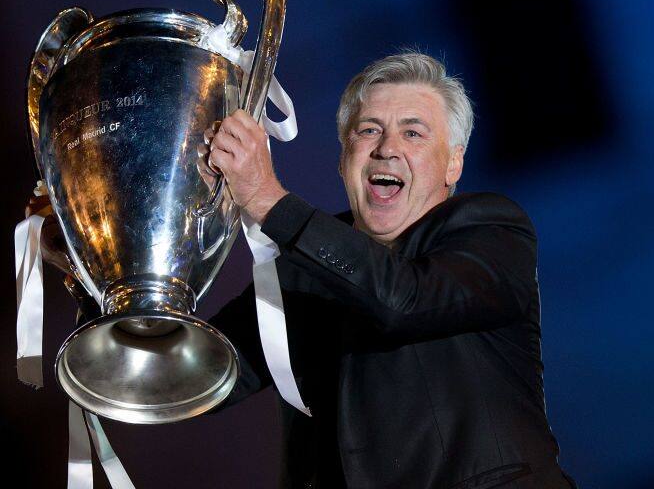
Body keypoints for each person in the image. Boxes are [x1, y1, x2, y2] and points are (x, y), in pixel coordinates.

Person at [201, 52, 578, 489]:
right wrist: (124, 278)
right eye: (368, 130)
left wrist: (267, 199)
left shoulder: (491, 229)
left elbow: (403, 300)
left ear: (453, 163)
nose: (387, 148)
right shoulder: (300, 269)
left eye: (413, 132)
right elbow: (201, 375)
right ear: (344, 160)